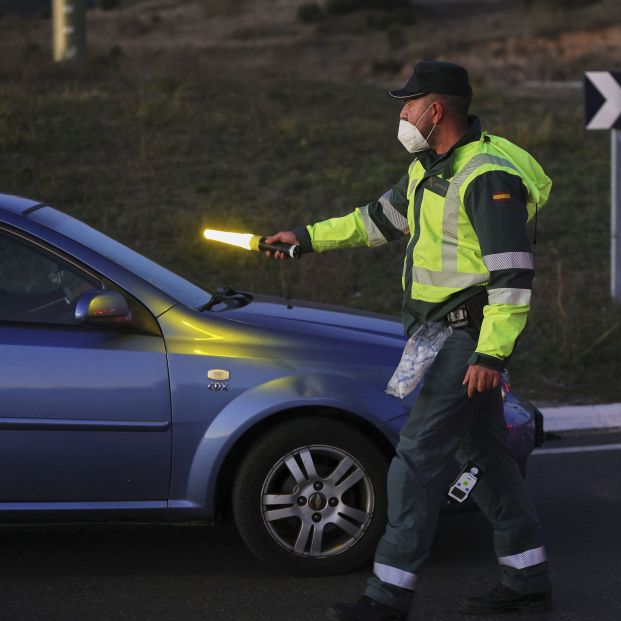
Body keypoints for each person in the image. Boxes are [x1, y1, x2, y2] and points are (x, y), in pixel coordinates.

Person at [266, 60, 552, 620]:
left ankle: (388, 596)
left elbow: (513, 275)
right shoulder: (431, 168)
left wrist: (492, 354)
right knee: (488, 459)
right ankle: (529, 577)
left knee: (415, 461)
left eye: (408, 103)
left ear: (435, 109)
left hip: (465, 340)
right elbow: (375, 220)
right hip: (442, 334)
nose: (401, 113)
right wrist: (303, 240)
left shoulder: (485, 177)